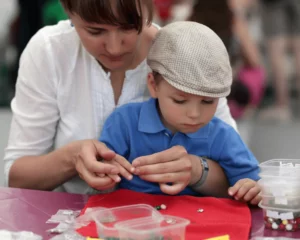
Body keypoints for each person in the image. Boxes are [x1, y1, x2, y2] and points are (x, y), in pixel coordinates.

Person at [4, 0, 237, 196]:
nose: (114, 48)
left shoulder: (185, 55)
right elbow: (17, 179)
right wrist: (71, 158)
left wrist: (197, 170)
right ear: (69, 12)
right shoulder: (50, 51)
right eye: (95, 31)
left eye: (129, 27)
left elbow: (238, 173)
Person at [99, 22, 261, 204]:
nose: (194, 113)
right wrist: (106, 170)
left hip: (199, 226)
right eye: (180, 100)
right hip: (131, 221)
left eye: (208, 101)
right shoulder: (124, 123)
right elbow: (101, 172)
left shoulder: (222, 136)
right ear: (153, 85)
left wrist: (251, 189)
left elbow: (253, 183)